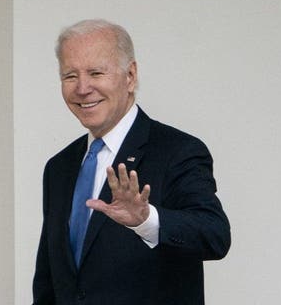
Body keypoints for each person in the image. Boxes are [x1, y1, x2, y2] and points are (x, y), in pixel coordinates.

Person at [32, 19, 231, 305]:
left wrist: (146, 220)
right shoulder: (59, 167)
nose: (82, 88)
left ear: (130, 76)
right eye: (70, 76)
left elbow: (215, 235)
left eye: (96, 72)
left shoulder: (177, 150)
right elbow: (49, 280)